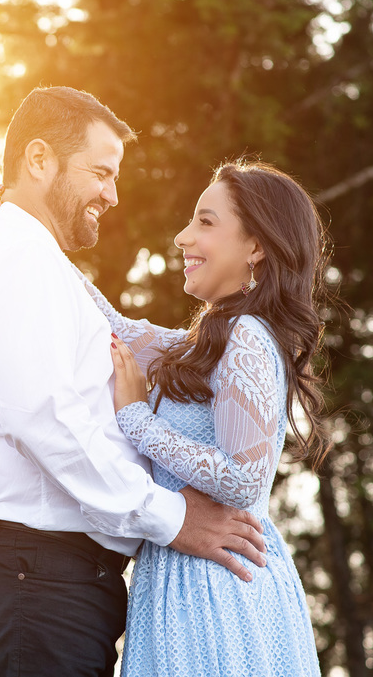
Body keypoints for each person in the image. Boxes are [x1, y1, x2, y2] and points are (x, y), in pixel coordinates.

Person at [0, 86, 268, 677]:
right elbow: (41, 417)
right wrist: (171, 518)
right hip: (31, 570)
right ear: (39, 161)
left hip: (47, 574)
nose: (112, 195)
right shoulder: (21, 259)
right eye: (100, 172)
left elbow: (144, 343)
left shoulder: (42, 265)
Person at [89, 159, 329, 675]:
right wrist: (25, 230)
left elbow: (244, 479)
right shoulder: (213, 340)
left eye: (205, 221)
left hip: (217, 586)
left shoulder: (247, 337)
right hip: (182, 574)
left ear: (256, 246)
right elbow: (113, 327)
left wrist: (136, 419)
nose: (181, 237)